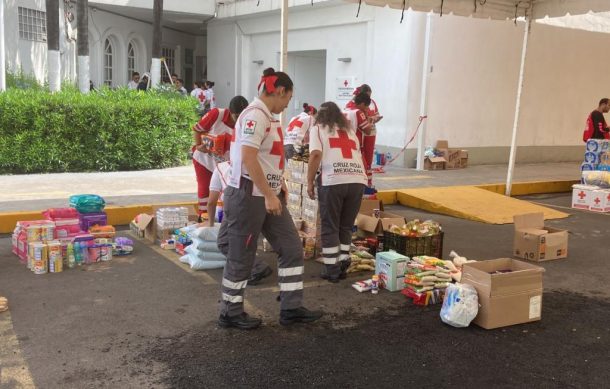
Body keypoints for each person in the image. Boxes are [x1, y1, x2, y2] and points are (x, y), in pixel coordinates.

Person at [218, 67, 323, 330]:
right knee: (241, 257)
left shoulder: (268, 116)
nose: (289, 102)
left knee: (290, 247)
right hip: (249, 196)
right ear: (279, 91)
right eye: (288, 97)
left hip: (266, 195)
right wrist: (268, 194)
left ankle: (291, 307)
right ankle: (230, 313)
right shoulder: (255, 115)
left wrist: (279, 184)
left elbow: (267, 159)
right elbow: (249, 158)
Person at [307, 102, 367, 283]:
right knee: (346, 226)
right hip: (357, 181)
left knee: (330, 225)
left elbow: (315, 155)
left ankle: (331, 268)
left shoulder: (318, 129)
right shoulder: (350, 132)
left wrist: (309, 181)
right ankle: (342, 263)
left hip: (333, 181)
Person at [210, 161, 274, 285]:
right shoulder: (262, 162)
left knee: (226, 242)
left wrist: (210, 223)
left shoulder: (221, 167)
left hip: (237, 203)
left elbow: (211, 200)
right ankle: (253, 268)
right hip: (249, 201)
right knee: (238, 242)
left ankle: (255, 268)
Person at [192, 95, 249, 216]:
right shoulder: (217, 114)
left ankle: (219, 219)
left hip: (223, 166)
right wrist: (198, 146)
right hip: (204, 161)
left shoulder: (247, 124)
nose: (239, 120)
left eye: (242, 117)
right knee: (205, 190)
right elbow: (197, 129)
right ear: (230, 111)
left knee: (224, 194)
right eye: (236, 116)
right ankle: (203, 218)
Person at [346, 84, 382, 187]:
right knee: (360, 158)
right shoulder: (352, 105)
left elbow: (376, 114)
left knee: (368, 158)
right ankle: (362, 184)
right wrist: (368, 120)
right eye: (367, 96)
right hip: (360, 133)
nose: (368, 100)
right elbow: (360, 121)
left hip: (369, 132)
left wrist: (374, 118)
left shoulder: (371, 102)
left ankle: (368, 183)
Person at [343, 92, 374, 185]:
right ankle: (365, 190)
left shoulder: (344, 110)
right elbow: (368, 131)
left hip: (342, 145)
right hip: (354, 146)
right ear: (362, 104)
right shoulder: (358, 112)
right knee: (363, 170)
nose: (366, 109)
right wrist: (369, 120)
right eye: (366, 107)